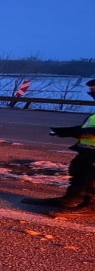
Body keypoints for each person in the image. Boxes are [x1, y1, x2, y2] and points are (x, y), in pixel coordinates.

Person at [47, 78, 95, 218]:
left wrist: (71, 131)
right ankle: (69, 200)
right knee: (79, 173)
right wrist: (69, 132)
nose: (90, 92)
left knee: (90, 178)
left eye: (93, 89)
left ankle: (90, 205)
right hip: (88, 150)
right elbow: (89, 129)